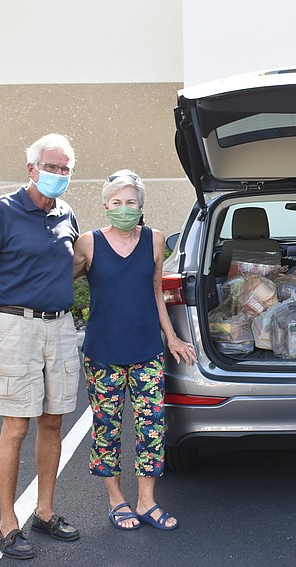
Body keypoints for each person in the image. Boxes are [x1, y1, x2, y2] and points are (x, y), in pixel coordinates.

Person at [0, 133, 81, 560]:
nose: (58, 174)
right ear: (31, 169)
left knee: (53, 424)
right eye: (51, 167)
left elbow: (75, 266)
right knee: (16, 426)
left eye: (65, 168)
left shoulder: (68, 213)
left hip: (61, 328)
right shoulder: (2, 210)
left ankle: (45, 512)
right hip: (16, 326)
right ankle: (6, 523)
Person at [72, 169, 196, 532]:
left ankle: (147, 500)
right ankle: (116, 500)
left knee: (151, 427)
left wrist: (170, 337)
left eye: (130, 202)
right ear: (105, 205)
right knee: (106, 428)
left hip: (146, 350)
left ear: (141, 205)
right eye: (116, 202)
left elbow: (156, 290)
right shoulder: (88, 243)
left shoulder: (156, 240)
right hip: (103, 352)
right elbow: (57, 279)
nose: (123, 208)